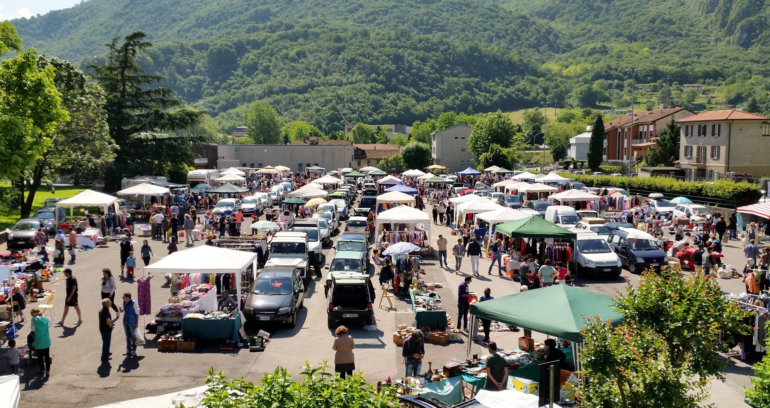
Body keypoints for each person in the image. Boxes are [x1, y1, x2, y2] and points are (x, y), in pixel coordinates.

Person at [31, 308, 53, 376]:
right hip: (46, 339)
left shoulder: (33, 319)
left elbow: (32, 329)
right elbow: (51, 324)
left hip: (39, 340)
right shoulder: (46, 317)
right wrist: (46, 327)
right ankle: (48, 371)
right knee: (47, 355)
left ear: (34, 313)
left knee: (40, 356)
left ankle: (42, 369)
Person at [119, 292, 140, 357]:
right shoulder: (124, 302)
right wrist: (120, 309)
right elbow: (123, 310)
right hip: (125, 321)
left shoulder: (134, 303)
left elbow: (137, 313)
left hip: (132, 322)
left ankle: (133, 350)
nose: (122, 298)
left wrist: (137, 323)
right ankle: (128, 350)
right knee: (128, 336)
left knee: (133, 337)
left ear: (128, 297)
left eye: (124, 297)